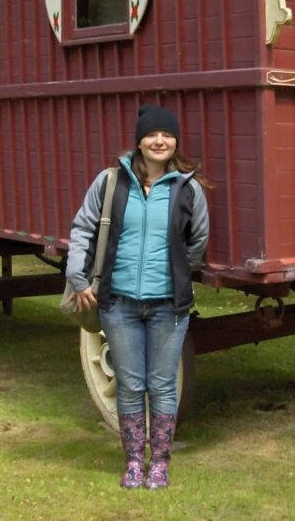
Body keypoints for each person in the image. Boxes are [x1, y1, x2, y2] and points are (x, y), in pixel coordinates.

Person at [65, 104, 210, 489]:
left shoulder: (188, 188)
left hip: (169, 306)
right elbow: (83, 228)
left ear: (175, 141)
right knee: (130, 384)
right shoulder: (111, 182)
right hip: (118, 303)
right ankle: (133, 461)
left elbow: (197, 242)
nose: (158, 141)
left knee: (161, 384)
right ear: (139, 141)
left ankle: (159, 463)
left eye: (166, 134)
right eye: (151, 134)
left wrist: (177, 271)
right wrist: (77, 278)